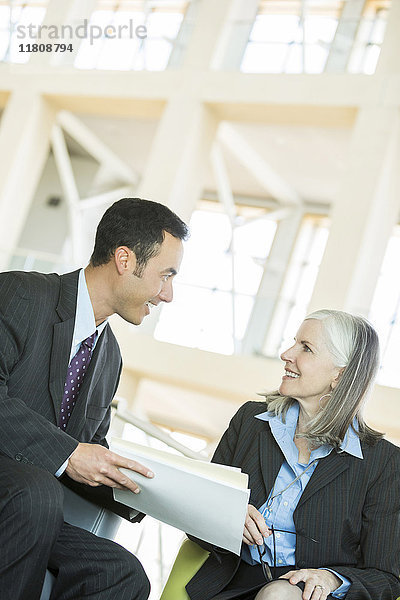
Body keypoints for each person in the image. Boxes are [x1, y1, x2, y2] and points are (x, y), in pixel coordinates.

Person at [0, 198, 189, 600]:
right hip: (23, 494)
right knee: (38, 492)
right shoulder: (21, 293)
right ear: (124, 259)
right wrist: (69, 454)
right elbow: (72, 454)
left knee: (123, 575)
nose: (168, 294)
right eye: (165, 275)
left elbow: (90, 452)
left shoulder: (109, 358)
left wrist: (163, 495)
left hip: (32, 505)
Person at [186, 310, 400, 600]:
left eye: (306, 348)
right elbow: (196, 518)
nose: (286, 354)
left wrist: (331, 580)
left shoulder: (384, 463)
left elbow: (386, 577)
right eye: (293, 342)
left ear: (340, 374)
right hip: (228, 584)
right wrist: (226, 517)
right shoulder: (250, 420)